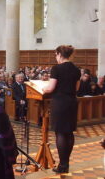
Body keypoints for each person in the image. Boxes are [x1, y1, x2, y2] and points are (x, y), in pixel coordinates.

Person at [42, 45, 81, 173]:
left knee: (60, 133)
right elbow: (76, 88)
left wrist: (44, 89)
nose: (55, 57)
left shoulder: (56, 68)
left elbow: (51, 88)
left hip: (60, 102)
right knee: (69, 132)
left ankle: (62, 166)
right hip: (72, 102)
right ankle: (66, 163)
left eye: (55, 54)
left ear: (59, 54)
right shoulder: (76, 69)